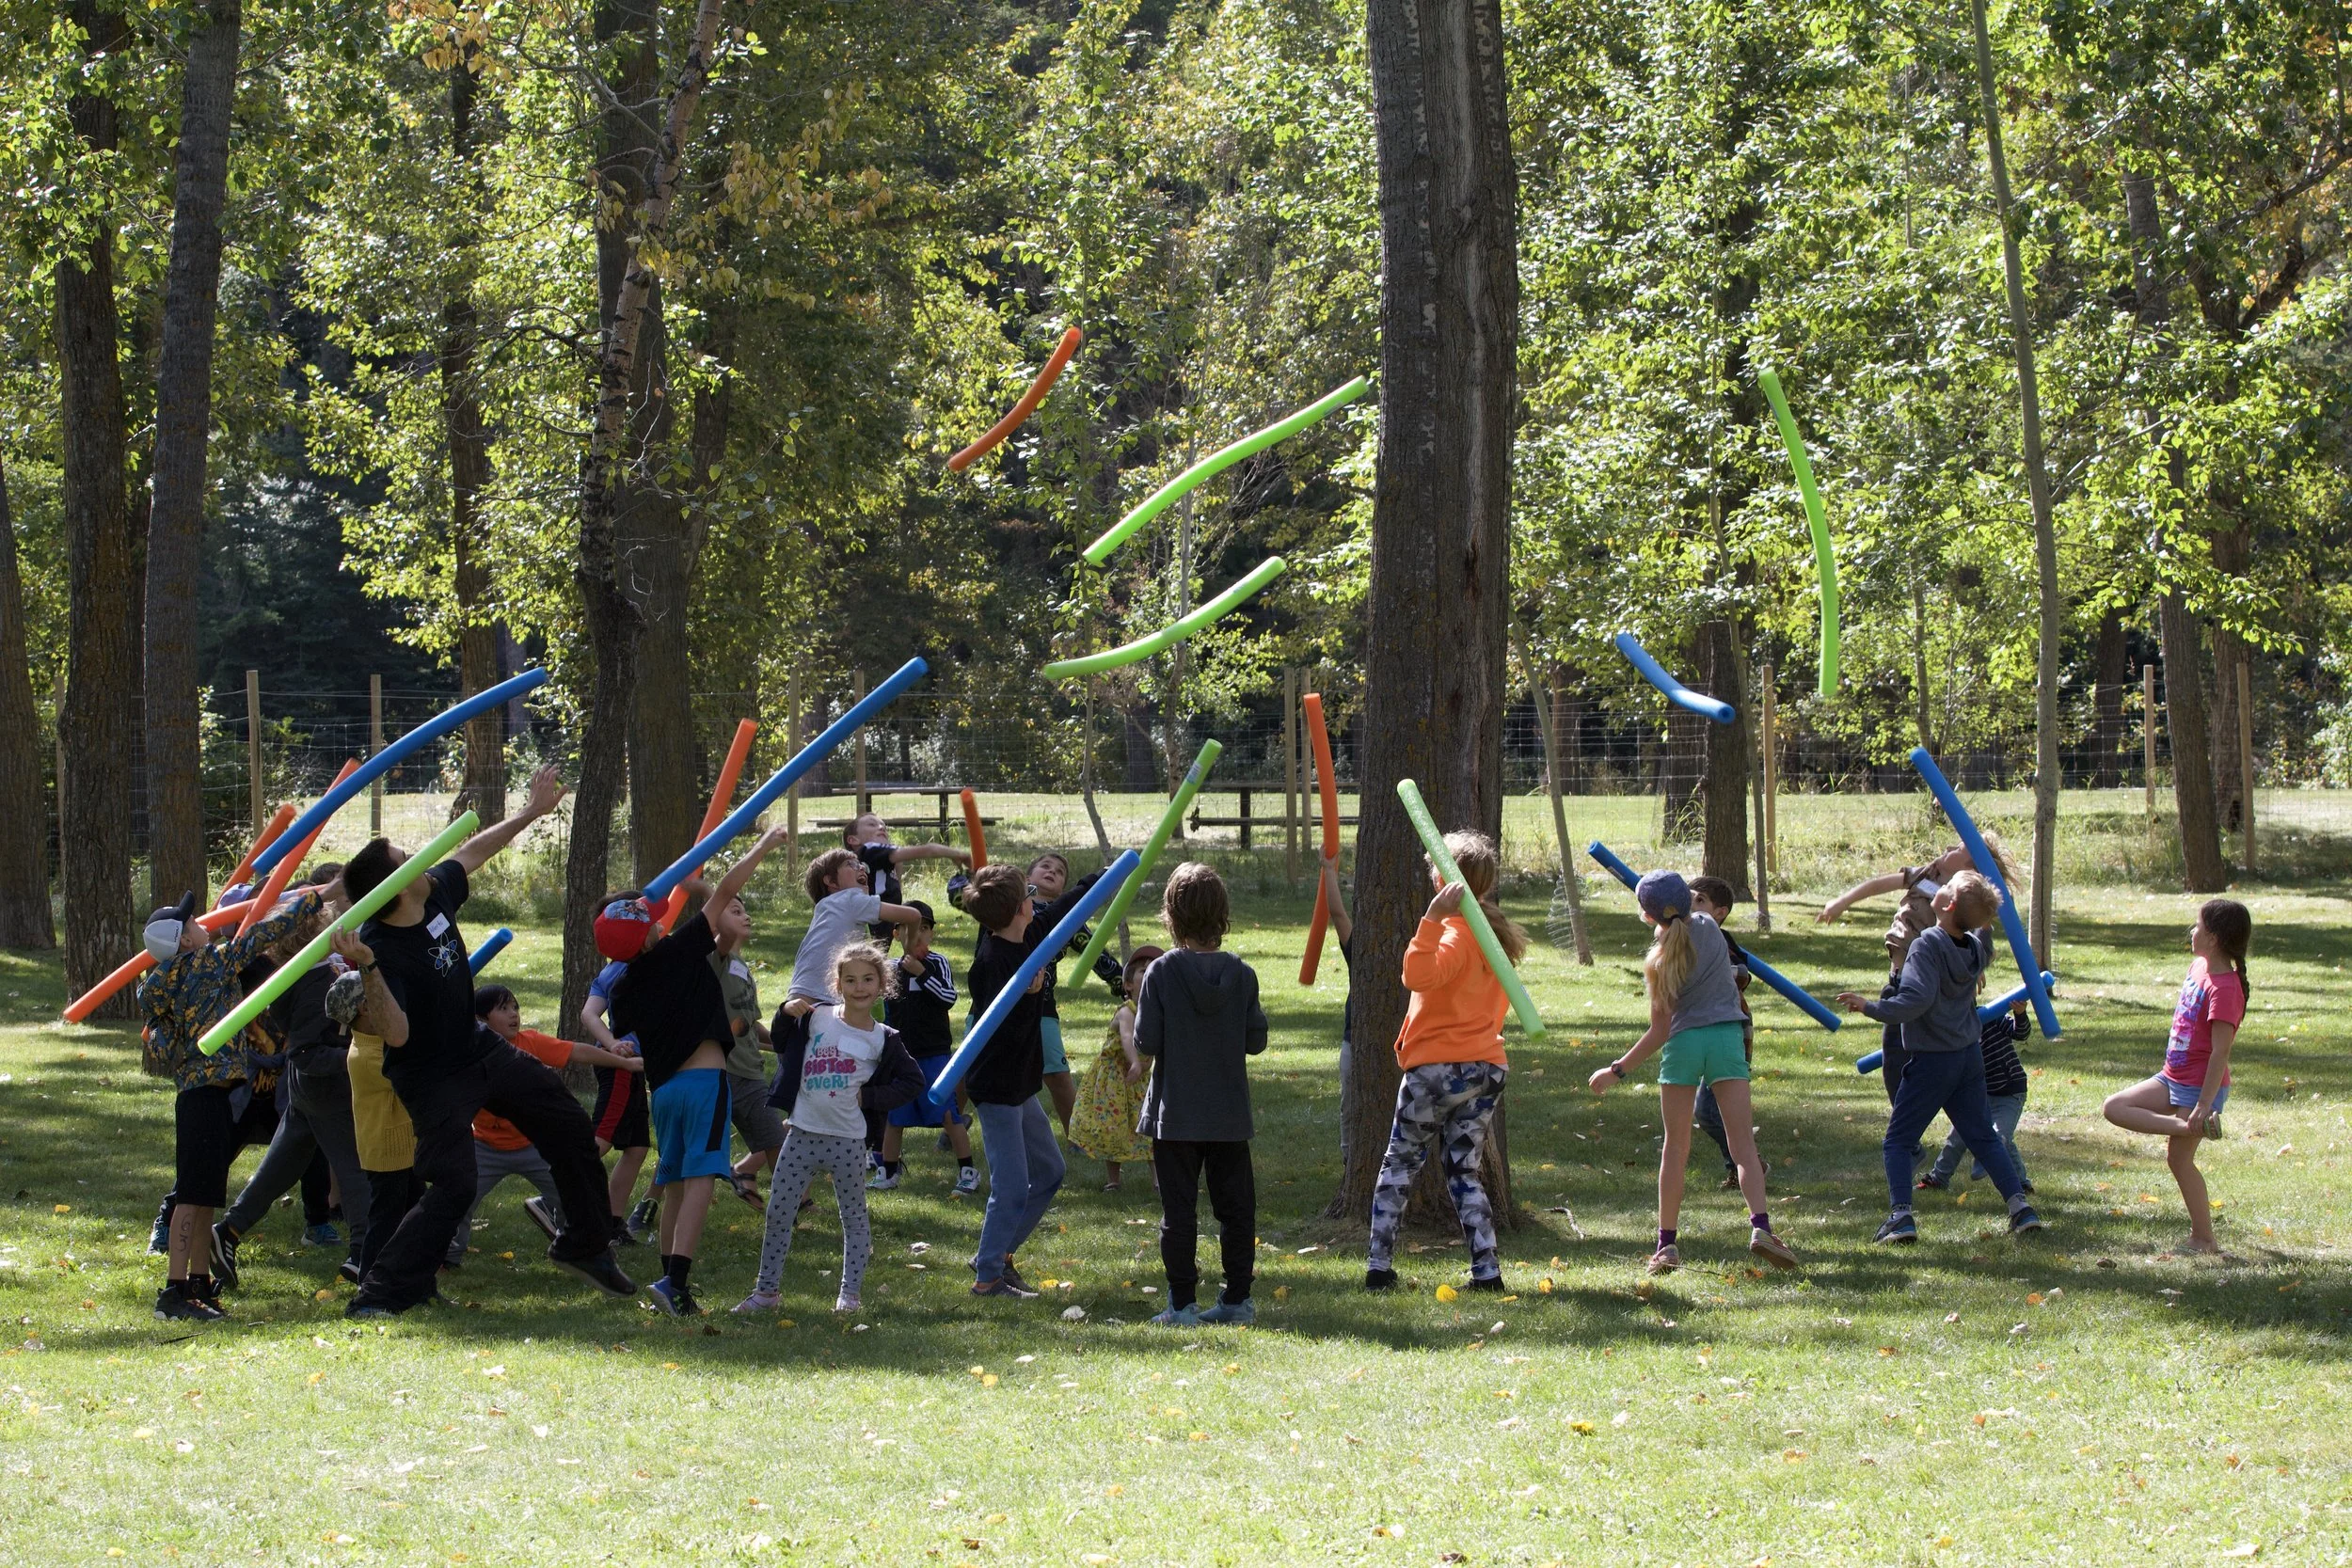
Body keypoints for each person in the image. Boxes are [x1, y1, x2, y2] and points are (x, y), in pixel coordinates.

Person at [343, 766, 635, 1317]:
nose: (424, 859)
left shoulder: (429, 896)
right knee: (454, 1183)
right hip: (430, 1074)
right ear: (392, 886)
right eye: (408, 857)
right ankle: (381, 1292)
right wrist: (368, 970)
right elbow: (399, 1034)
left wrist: (531, 812)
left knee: (569, 1123)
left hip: (476, 1047)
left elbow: (470, 854)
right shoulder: (383, 945)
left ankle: (586, 1243)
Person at [601, 824, 793, 1316]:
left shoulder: (621, 990)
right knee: (702, 1180)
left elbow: (630, 1035)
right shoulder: (678, 951)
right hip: (706, 1082)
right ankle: (676, 1284)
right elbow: (726, 890)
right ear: (648, 934)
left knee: (677, 1180)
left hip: (663, 1092)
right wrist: (763, 845)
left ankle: (669, 1278)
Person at [1589, 870, 1796, 1275]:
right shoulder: (1709, 927)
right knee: (1743, 1148)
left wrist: (1617, 1070)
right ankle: (1762, 1228)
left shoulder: (1658, 960)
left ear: (1648, 917)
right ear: (1689, 901)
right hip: (1725, 1041)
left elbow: (1659, 1030)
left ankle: (1666, 1246)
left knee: (1675, 1149)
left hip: (1683, 1047)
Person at [138, 881, 326, 1320]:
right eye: (193, 923)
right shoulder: (208, 965)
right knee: (191, 1198)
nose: (202, 925)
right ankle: (175, 1292)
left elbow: (161, 1042)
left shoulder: (169, 980)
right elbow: (262, 935)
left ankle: (199, 1284)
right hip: (203, 1097)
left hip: (208, 1095)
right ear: (184, 939)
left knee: (206, 1197)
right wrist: (313, 899)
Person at [1836, 869, 2045, 1245]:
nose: (1938, 885)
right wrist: (1984, 915)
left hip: (1933, 1060)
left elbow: (1914, 1001)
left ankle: (1900, 1217)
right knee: (1982, 1136)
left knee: (1898, 1141)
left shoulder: (1927, 945)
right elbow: (1984, 936)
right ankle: (2020, 1208)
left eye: (1945, 887)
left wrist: (1870, 1006)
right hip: (1968, 1057)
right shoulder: (1974, 949)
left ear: (1946, 905)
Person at [1365, 831, 1529, 1293]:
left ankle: (1378, 1267)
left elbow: (1416, 975)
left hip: (1439, 1069)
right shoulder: (1491, 936)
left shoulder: (1458, 934)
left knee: (1399, 1163)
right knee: (1463, 1169)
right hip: (1485, 1068)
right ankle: (1487, 1270)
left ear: (1441, 877)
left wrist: (1431, 919)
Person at [736, 942, 923, 1315]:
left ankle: (849, 1296)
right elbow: (782, 1038)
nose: (859, 987)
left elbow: (912, 1082)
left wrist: (868, 1099)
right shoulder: (816, 1017)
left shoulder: (883, 1038)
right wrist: (786, 1012)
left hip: (848, 1142)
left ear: (882, 983)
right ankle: (766, 1293)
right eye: (850, 979)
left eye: (868, 979)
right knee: (778, 1213)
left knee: (853, 1218)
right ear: (838, 984)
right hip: (801, 1134)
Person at [960, 859, 1108, 1298]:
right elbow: (993, 1031)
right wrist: (1024, 997)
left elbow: (1063, 907)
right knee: (1010, 1186)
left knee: (1049, 1171)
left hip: (1022, 1085)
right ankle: (987, 1276)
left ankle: (998, 1254)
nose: (1034, 899)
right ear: (1016, 909)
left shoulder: (1029, 934)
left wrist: (1101, 878)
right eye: (1027, 894)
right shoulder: (992, 960)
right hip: (998, 1088)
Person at [212, 874, 368, 1288]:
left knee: (285, 1161)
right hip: (325, 1086)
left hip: (310, 1087)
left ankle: (228, 1231)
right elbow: (306, 1052)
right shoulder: (314, 980)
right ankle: (365, 1254)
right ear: (316, 930)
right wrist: (356, 1058)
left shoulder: (317, 968)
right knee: (355, 1165)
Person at [1135, 867, 1265, 1326]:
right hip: (1229, 1114)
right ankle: (1237, 1299)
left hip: (1177, 1116)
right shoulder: (1242, 974)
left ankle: (1182, 1303)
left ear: (1172, 915)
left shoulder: (1162, 972)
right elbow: (1256, 1040)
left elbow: (1146, 1040)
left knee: (1179, 1211)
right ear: (1222, 915)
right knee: (1236, 1211)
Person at [447, 985, 646, 1268]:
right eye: (503, 1009)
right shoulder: (469, 1053)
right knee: (460, 1195)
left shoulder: (530, 1043)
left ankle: (580, 1247)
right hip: (485, 1147)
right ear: (481, 1020)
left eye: (515, 1007)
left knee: (571, 1194)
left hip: (533, 1144)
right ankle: (448, 1257)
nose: (514, 1014)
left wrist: (620, 1062)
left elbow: (578, 1052)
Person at [1817, 833, 2024, 1104]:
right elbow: (1880, 884)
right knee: (1899, 1061)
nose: (1948, 848)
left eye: (1958, 849)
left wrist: (1974, 968)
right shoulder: (1925, 875)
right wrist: (1842, 902)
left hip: (1922, 989)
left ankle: (1912, 1129)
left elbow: (1975, 931)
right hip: (1899, 981)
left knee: (1917, 1059)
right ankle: (1912, 1124)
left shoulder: (1960, 899)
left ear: (1970, 869)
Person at [2100, 899, 2250, 1254]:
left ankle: (2204, 1239)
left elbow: (2220, 1053)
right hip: (2172, 1078)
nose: (2192, 931)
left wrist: (2201, 1105)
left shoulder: (2226, 989)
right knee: (2114, 1106)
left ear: (2213, 938)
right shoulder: (2198, 966)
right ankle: (2189, 1128)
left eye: (2197, 926)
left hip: (2200, 1086)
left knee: (2179, 1160)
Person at [773, 847, 924, 1087]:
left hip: (799, 1006)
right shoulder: (849, 900)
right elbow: (913, 915)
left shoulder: (825, 908)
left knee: (804, 1089)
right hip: (817, 1007)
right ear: (831, 882)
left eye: (861, 865)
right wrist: (910, 947)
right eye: (851, 865)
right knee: (832, 1084)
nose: (861, 868)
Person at [869, 901, 978, 1195]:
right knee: (895, 1118)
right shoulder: (889, 968)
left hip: (934, 1052)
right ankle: (888, 1173)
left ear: (931, 934)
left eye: (925, 928)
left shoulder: (937, 963)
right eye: (909, 928)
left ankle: (968, 1172)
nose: (918, 935)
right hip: (899, 1055)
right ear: (896, 933)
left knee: (947, 1114)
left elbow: (948, 997)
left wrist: (920, 972)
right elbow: (879, 1007)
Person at [1019, 852, 1128, 1136]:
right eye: (1044, 866)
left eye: (1059, 872)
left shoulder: (1068, 920)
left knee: (1057, 1074)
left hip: (1041, 1006)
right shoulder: (1010, 905)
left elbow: (1097, 955)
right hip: (996, 1002)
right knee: (972, 1069)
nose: (1052, 871)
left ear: (1064, 888)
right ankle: (951, 1127)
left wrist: (1123, 983)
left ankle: (1076, 1136)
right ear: (1028, 876)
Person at [711, 893, 786, 1208]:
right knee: (693, 1150)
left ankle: (792, 1204)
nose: (745, 916)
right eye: (734, 911)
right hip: (720, 1072)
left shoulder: (742, 966)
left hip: (749, 1070)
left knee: (775, 1140)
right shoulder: (717, 958)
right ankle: (649, 1203)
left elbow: (750, 1021)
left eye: (745, 910)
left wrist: (781, 1045)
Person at [1684, 875, 1756, 1191]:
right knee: (1708, 1109)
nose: (1691, 904)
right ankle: (1741, 1164)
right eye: (1689, 897)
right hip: (1698, 1033)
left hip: (1730, 1035)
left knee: (1709, 1110)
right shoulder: (1685, 935)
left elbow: (1741, 974)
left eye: (1700, 900)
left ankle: (1745, 1164)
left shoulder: (1720, 939)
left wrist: (1708, 971)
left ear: (1720, 912)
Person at [1068, 945, 1161, 1192]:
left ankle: (1158, 1179)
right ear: (1128, 985)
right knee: (1114, 1126)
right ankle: (1114, 1180)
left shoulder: (1155, 1013)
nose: (1151, 972)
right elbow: (1127, 1038)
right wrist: (1133, 1062)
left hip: (1140, 1079)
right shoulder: (1126, 1012)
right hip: (1116, 1078)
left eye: (1155, 968)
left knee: (1148, 1126)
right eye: (1144, 969)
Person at [1917, 1000, 2033, 1194]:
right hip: (1979, 1093)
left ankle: (2020, 1183)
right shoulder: (1950, 1034)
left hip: (2009, 1092)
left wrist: (2020, 1014)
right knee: (1958, 1136)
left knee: (2001, 1137)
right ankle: (1938, 1178)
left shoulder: (1991, 1016)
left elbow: (2021, 1033)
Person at [580, 957, 655, 1244]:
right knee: (603, 1138)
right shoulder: (618, 969)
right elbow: (588, 1014)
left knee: (637, 1147)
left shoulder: (645, 963)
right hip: (619, 1064)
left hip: (633, 1066)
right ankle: (552, 1193)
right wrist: (612, 1046)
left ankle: (611, 1224)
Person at [842, 811, 970, 943]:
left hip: (881, 920)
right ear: (853, 840)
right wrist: (957, 854)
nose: (881, 828)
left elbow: (897, 872)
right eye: (871, 824)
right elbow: (928, 850)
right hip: (872, 919)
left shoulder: (879, 858)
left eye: (884, 826)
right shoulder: (869, 850)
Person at [1315, 851, 1358, 1165]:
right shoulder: (1361, 950)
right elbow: (1339, 914)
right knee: (1349, 1103)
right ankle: (1349, 1157)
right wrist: (1329, 869)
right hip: (1353, 1041)